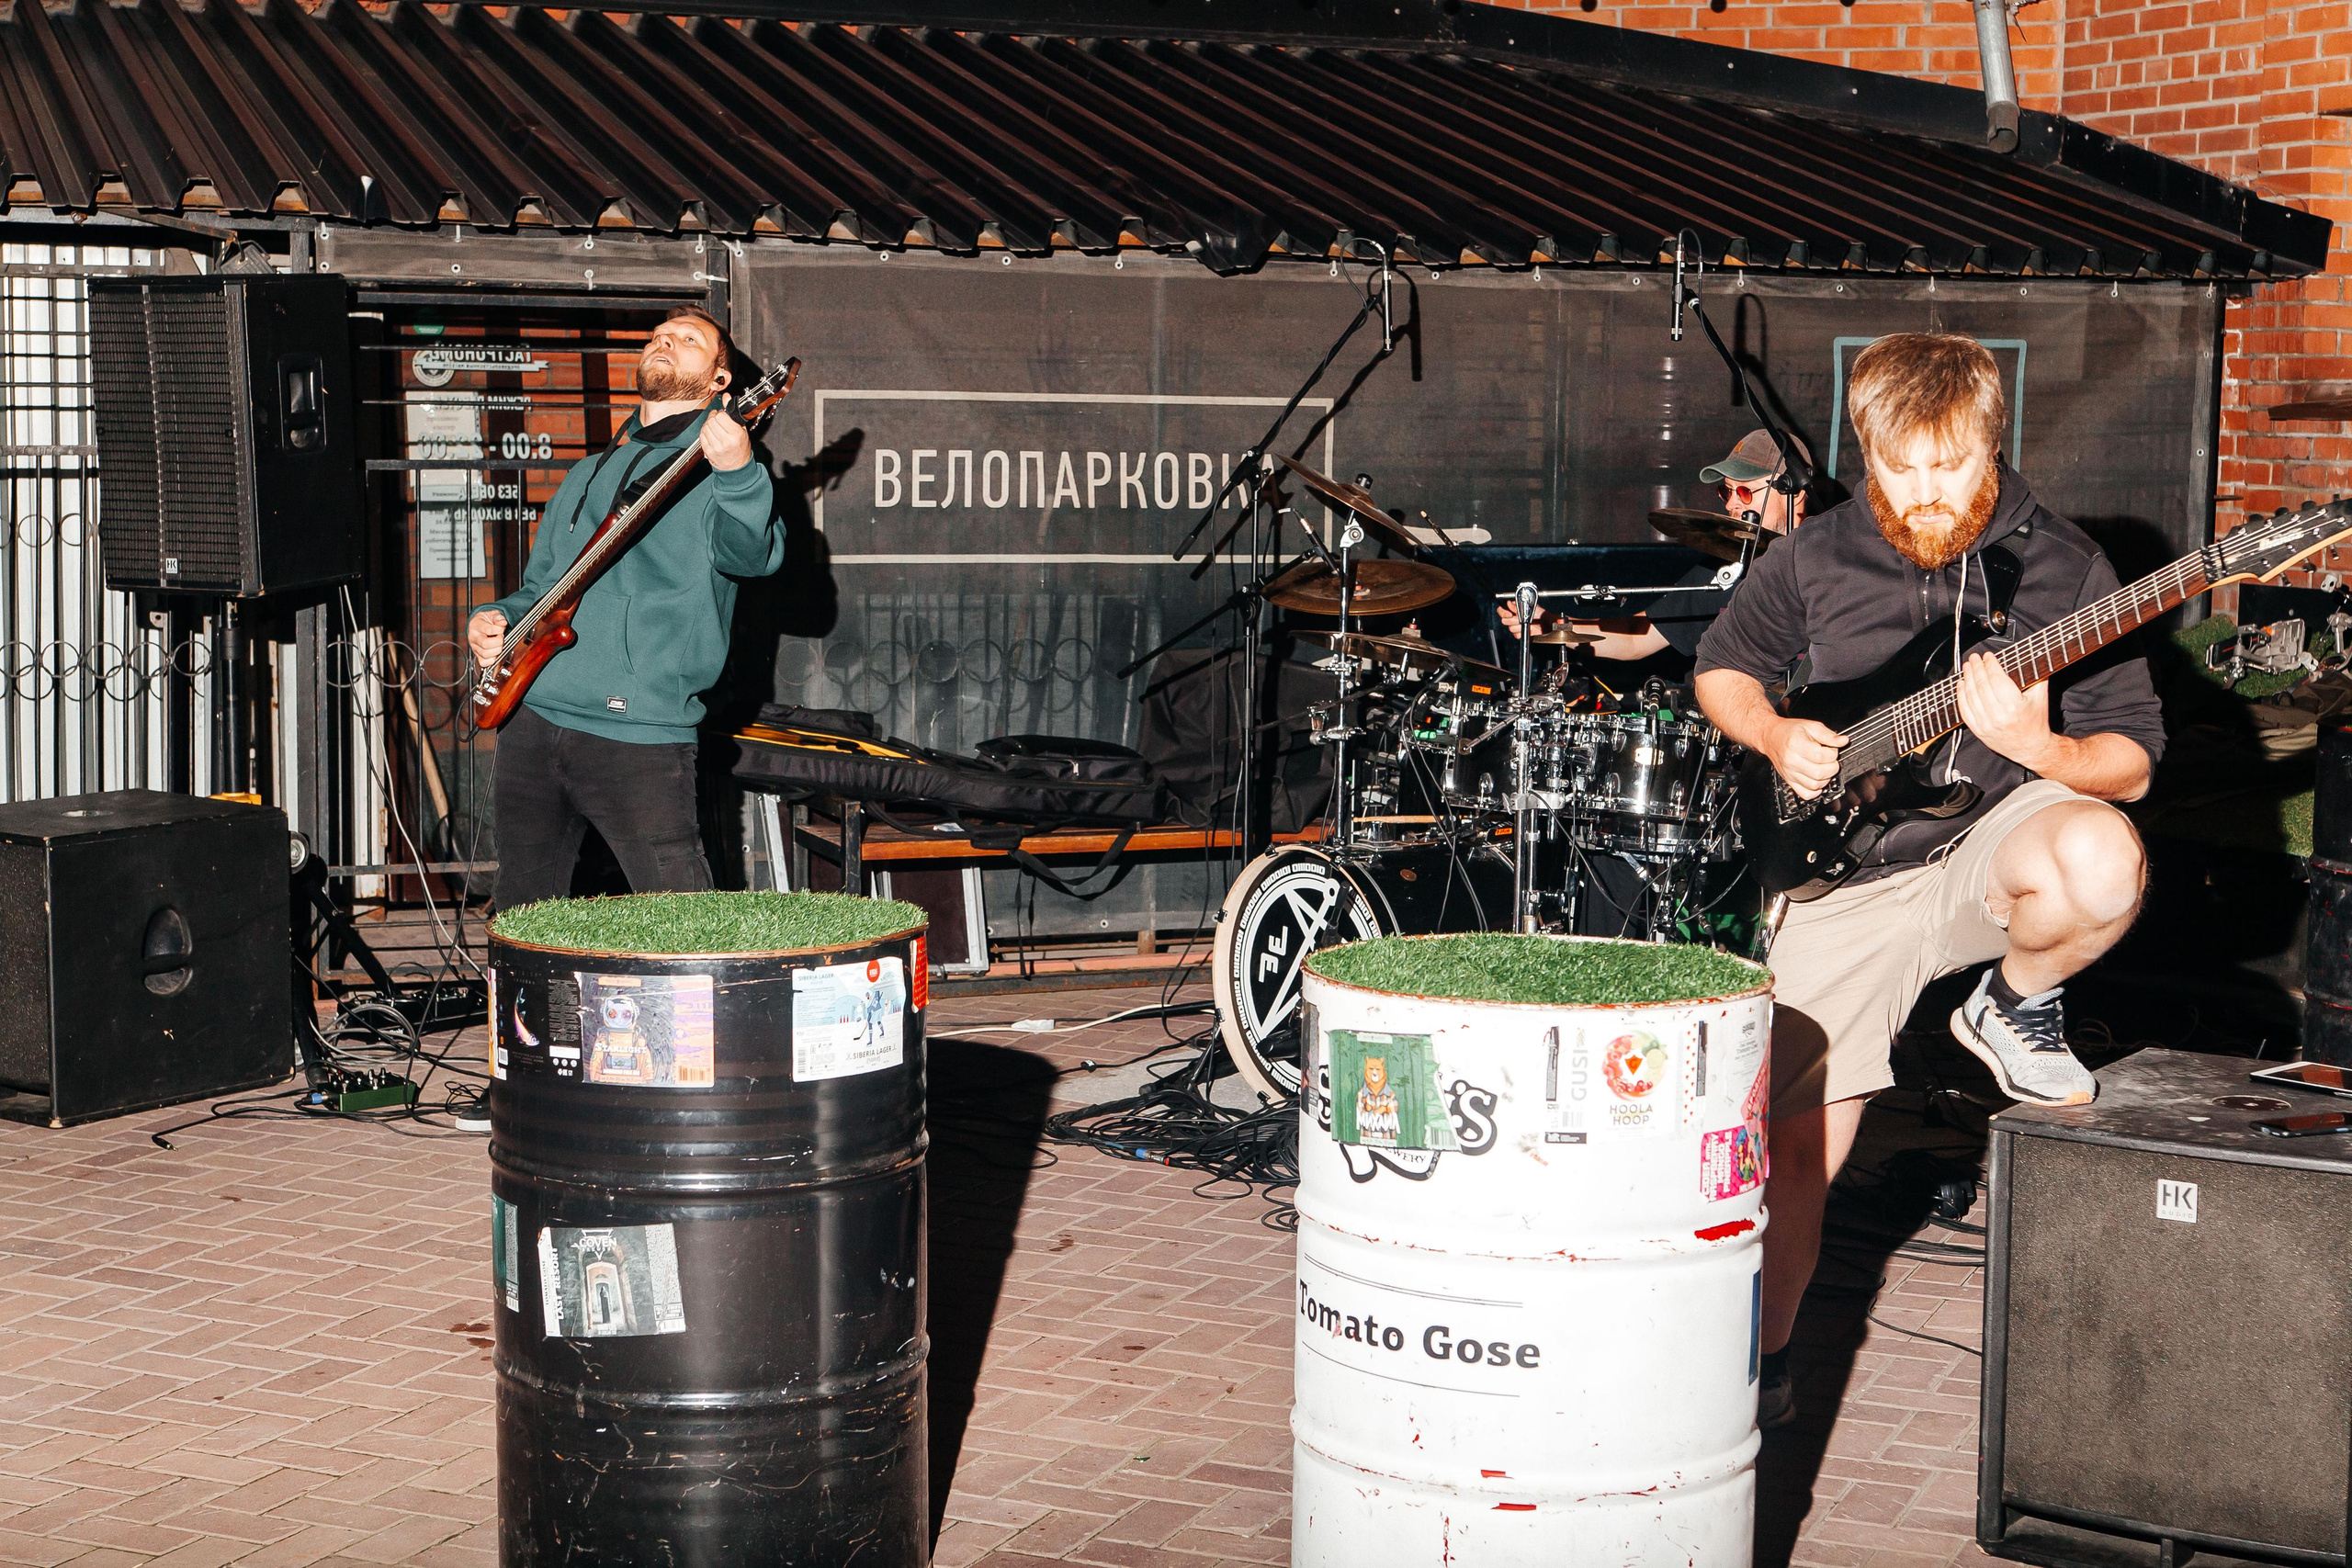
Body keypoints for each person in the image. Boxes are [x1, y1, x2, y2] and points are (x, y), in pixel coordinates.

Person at [1691, 333, 2165, 1428]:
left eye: (1947, 465)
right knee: (1800, 1148)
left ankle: (2012, 1006)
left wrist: (2040, 750)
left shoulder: (2067, 570)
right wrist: (1774, 734)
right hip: (1848, 871)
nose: (1922, 491)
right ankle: (1756, 1373)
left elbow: (2131, 762)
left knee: (2100, 858)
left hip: (1996, 837)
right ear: (1867, 450)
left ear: (1990, 445)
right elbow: (1722, 667)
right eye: (1898, 467)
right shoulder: (1816, 555)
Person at [468, 306, 781, 908]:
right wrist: (497, 617)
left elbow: (752, 556)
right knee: (522, 914)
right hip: (531, 720)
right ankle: (527, 1009)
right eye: (659, 336)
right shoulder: (588, 470)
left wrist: (739, 472)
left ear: (722, 382)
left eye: (688, 340)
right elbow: (541, 585)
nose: (665, 341)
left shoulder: (729, 472)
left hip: (639, 733)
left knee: (680, 918)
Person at [1502, 429, 1811, 657]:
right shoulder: (1725, 567)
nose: (1731, 505)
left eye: (1744, 492)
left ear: (1793, 493)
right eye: (1726, 492)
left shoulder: (1829, 565)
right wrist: (1556, 626)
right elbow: (1639, 638)